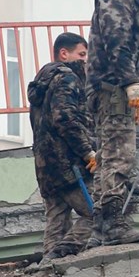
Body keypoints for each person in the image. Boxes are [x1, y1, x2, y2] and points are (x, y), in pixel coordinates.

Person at [85, 0, 139, 247]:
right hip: (114, 86)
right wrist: (130, 81)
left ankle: (100, 228)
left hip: (113, 86)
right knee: (119, 154)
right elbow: (117, 40)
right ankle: (112, 225)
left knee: (109, 154)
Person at [28, 33, 96, 260]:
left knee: (57, 220)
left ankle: (47, 269)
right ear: (64, 54)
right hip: (69, 165)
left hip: (45, 166)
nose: (86, 60)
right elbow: (65, 119)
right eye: (82, 54)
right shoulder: (67, 78)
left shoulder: (42, 84)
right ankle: (59, 255)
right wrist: (87, 152)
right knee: (99, 215)